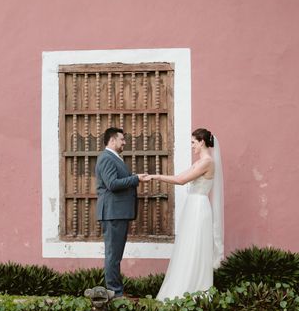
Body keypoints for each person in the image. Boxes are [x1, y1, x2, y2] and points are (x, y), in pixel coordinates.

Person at [145, 128, 224, 300]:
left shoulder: (207, 162)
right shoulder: (200, 162)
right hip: (193, 205)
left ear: (202, 141)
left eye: (193, 142)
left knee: (195, 246)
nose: (192, 146)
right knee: (188, 245)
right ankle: (184, 286)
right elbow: (180, 176)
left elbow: (181, 181)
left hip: (199, 207)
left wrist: (156, 177)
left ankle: (194, 289)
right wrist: (154, 176)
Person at [96, 127, 148, 298]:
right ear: (112, 140)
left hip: (117, 213)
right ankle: (114, 293)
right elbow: (112, 184)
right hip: (113, 213)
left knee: (115, 254)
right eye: (122, 139)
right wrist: (135, 179)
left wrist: (134, 177)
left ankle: (116, 291)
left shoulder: (113, 158)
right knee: (113, 255)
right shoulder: (106, 158)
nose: (124, 142)